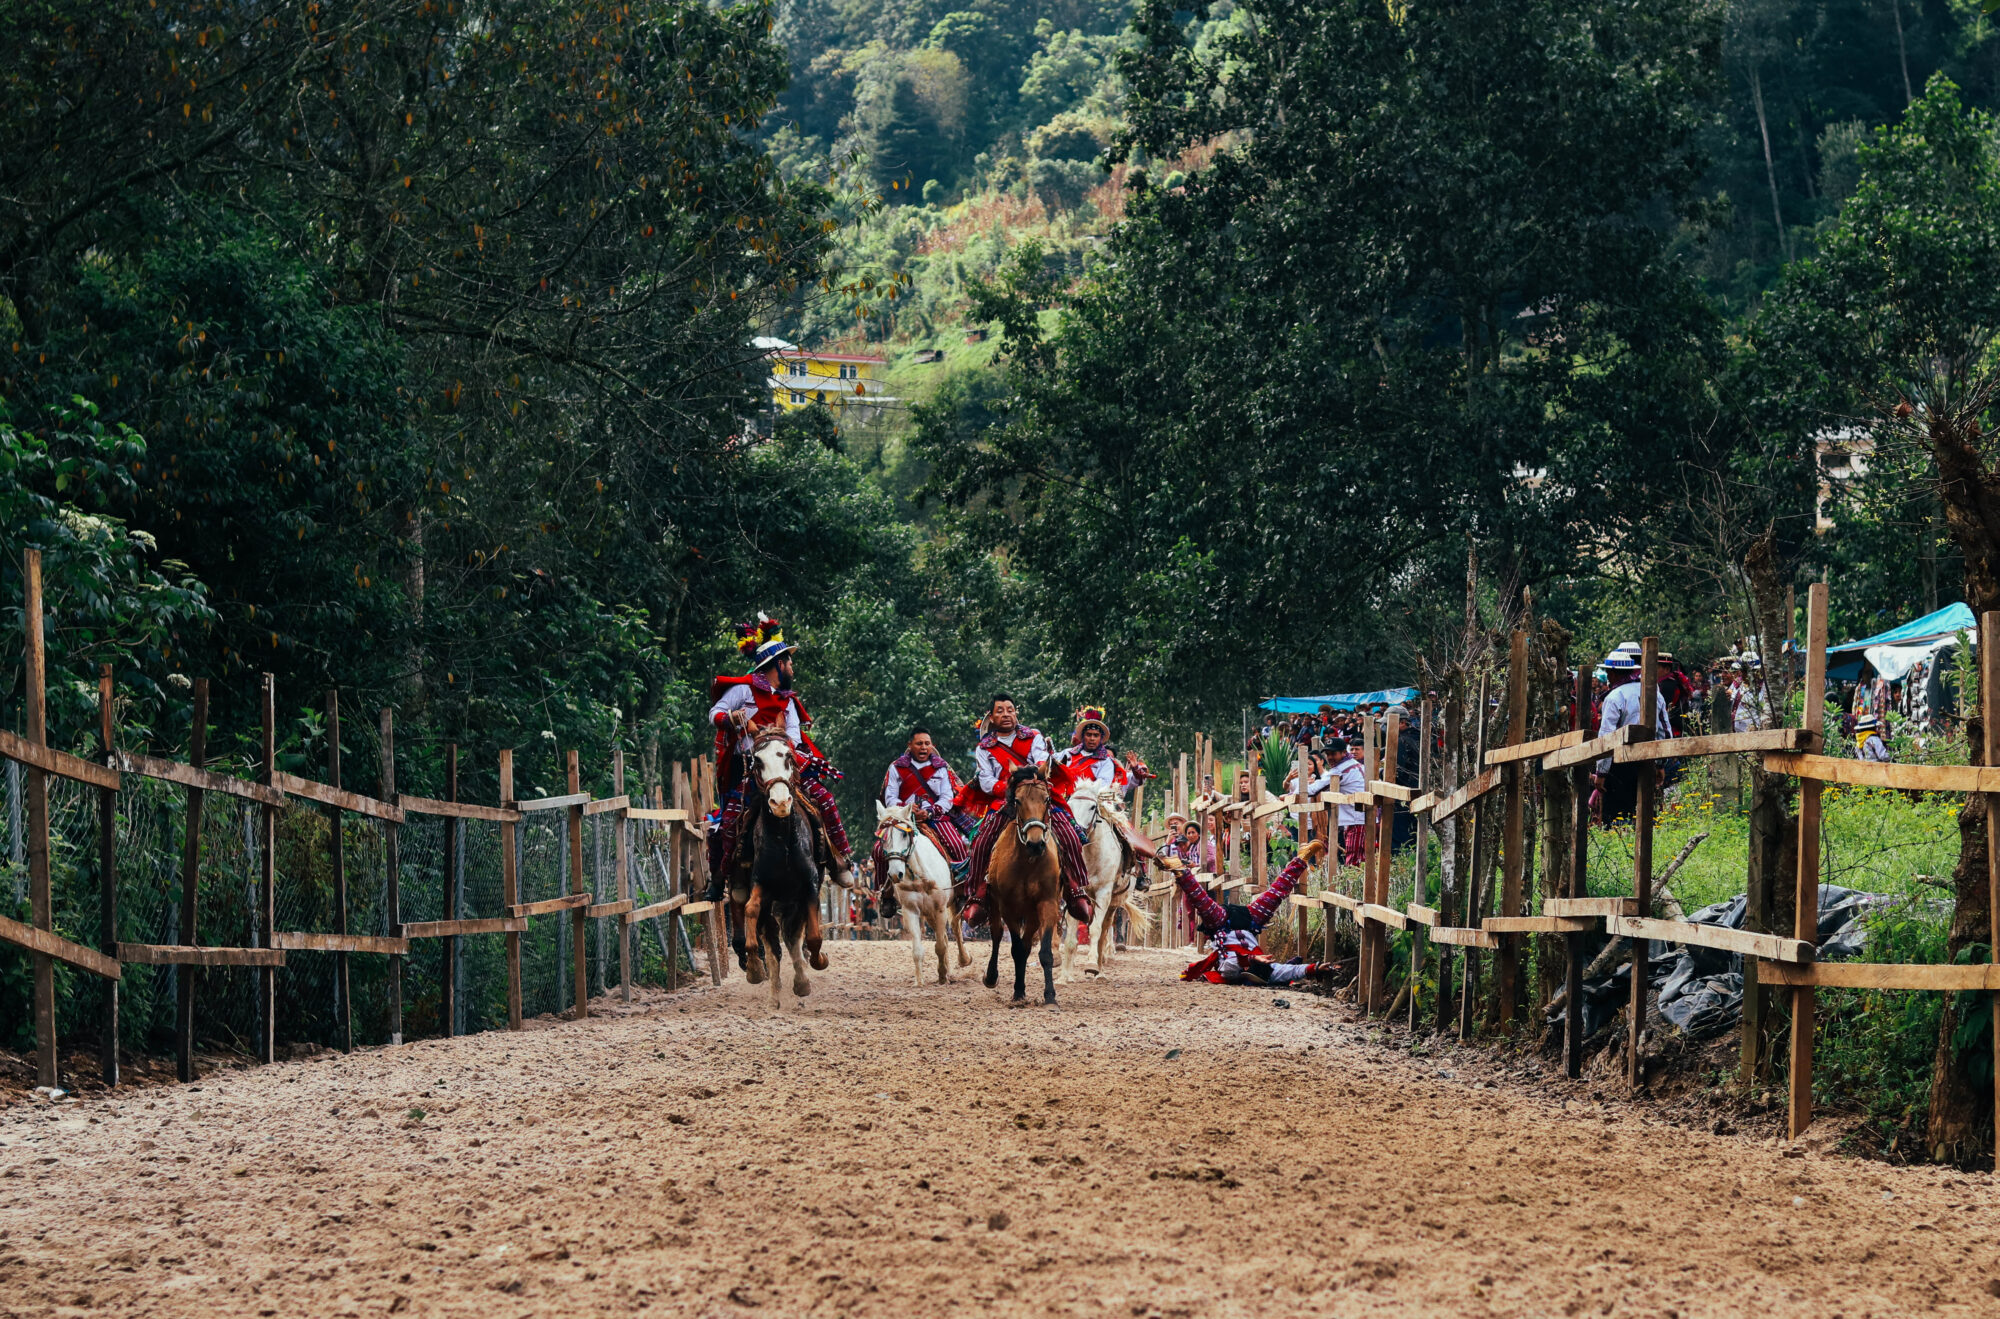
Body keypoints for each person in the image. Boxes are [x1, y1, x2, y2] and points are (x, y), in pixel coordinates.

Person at [704, 613, 853, 900]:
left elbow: (795, 740)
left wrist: (776, 742)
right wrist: (733, 718)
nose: (792, 668)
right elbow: (715, 713)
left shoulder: (789, 702)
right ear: (778, 665)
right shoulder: (742, 690)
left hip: (784, 766)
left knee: (825, 799)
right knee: (729, 820)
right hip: (750, 769)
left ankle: (839, 860)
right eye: (789, 662)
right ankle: (724, 877)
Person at [954, 695, 1094, 930]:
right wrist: (1008, 787)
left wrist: (1033, 777)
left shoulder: (1033, 735)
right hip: (1006, 799)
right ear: (992, 717)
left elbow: (1042, 760)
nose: (1006, 714)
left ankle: (1075, 888)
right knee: (981, 841)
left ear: (1016, 713)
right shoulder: (984, 748)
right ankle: (977, 895)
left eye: (1010, 709)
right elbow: (986, 780)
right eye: (1000, 711)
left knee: (1070, 835)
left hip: (1038, 791)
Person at [1172, 840, 1336, 985]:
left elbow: (1229, 967)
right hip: (1249, 922)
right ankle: (1302, 858)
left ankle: (1179, 871)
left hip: (1221, 925)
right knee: (1275, 895)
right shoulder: (1270, 969)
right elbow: (1289, 971)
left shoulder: (1230, 972)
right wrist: (1315, 968)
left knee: (1202, 902)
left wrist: (1250, 959)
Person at [870, 728, 969, 920]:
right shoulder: (896, 767)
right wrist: (908, 808)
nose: (924, 747)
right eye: (919, 743)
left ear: (932, 746)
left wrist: (931, 811)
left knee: (957, 846)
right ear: (910, 746)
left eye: (927, 743)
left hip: (935, 816)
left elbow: (948, 796)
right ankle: (887, 894)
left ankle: (961, 893)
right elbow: (890, 796)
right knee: (877, 850)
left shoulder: (941, 767)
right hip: (903, 818)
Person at [1591, 648, 1672, 824]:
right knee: (1643, 813)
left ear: (1612, 673)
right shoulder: (1653, 693)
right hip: (1647, 758)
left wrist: (1601, 772)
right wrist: (1661, 763)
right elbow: (1664, 730)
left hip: (1620, 764)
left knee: (1616, 816)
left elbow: (1606, 737)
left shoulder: (1614, 697)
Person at [1321, 737, 1366, 865]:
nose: (1330, 757)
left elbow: (1315, 789)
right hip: (1355, 817)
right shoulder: (1356, 765)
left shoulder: (1340, 770)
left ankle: (1353, 884)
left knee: (1354, 858)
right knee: (1358, 856)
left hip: (1357, 818)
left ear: (1343, 753)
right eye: (1328, 754)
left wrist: (1292, 794)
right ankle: (1358, 883)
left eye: (1333, 754)